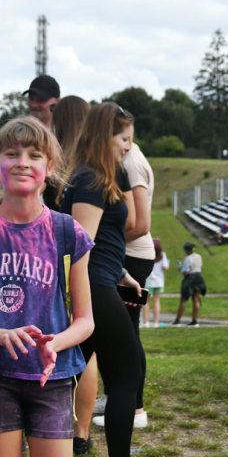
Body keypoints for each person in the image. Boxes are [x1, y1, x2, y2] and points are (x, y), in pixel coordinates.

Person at [0, 116, 95, 457]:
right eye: (12, 153)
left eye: (34, 155)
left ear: (50, 167)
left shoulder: (67, 232)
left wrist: (55, 344)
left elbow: (86, 321)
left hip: (53, 379)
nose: (23, 162)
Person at [61, 102, 141, 457]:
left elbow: (101, 243)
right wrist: (87, 303)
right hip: (92, 287)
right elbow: (80, 246)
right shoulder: (91, 180)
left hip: (102, 281)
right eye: (123, 138)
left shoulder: (97, 177)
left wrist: (121, 273)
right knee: (127, 374)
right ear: (103, 135)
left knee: (68, 380)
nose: (128, 146)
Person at [91, 135, 155, 430]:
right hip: (119, 262)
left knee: (126, 341)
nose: (127, 145)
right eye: (123, 138)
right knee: (123, 341)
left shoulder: (128, 163)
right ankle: (123, 402)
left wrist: (107, 241)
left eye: (129, 137)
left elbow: (140, 224)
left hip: (126, 259)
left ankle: (134, 408)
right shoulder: (118, 164)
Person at [43, 95, 90, 212]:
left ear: (59, 122)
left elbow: (28, 195)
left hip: (58, 228)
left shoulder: (54, 161)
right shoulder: (98, 159)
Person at [173, 242, 205, 326]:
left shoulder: (188, 258)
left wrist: (180, 269)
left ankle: (177, 320)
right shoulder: (199, 256)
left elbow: (186, 272)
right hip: (199, 278)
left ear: (187, 250)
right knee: (196, 300)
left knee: (183, 300)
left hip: (190, 279)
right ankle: (194, 320)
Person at [144, 238, 169, 327]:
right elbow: (166, 267)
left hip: (148, 281)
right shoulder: (162, 255)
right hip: (159, 281)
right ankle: (156, 322)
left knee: (146, 302)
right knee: (156, 301)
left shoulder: (148, 253)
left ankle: (146, 322)